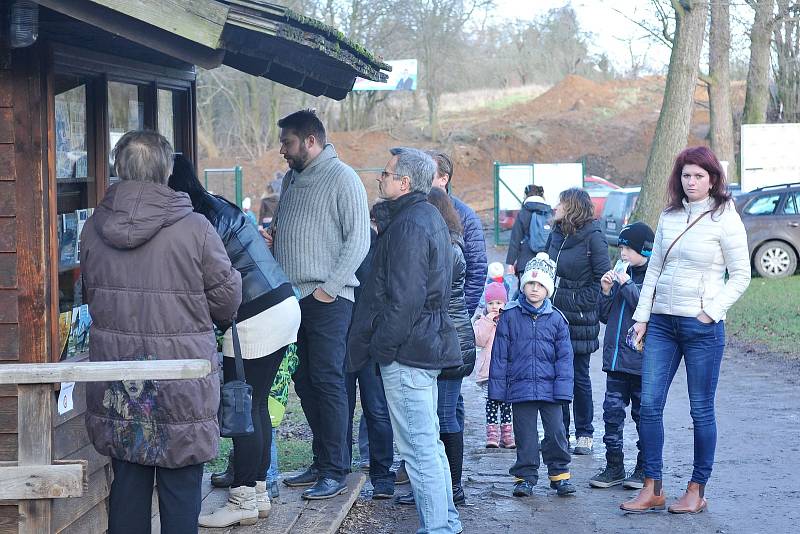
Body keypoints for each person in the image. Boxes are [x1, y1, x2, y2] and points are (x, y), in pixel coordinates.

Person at [80, 131, 242, 534]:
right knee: (181, 496)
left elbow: (91, 296)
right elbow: (226, 303)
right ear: (167, 170)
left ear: (120, 169)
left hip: (119, 381)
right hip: (181, 381)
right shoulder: (196, 229)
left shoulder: (93, 228)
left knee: (128, 490)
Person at [167, 154, 300, 527]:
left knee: (243, 409)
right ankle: (256, 493)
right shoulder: (215, 204)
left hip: (256, 315)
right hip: (282, 302)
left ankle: (242, 497)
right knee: (255, 407)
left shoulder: (197, 220)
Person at [621, 147, 750, 514]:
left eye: (698, 176)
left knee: (700, 409)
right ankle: (652, 486)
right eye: (686, 175)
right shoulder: (669, 215)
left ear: (712, 180)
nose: (691, 182)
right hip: (662, 322)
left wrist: (710, 312)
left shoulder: (725, 217)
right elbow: (655, 269)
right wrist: (642, 317)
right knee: (649, 405)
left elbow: (741, 275)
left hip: (701, 327)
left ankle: (696, 488)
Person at [348, 147, 463, 534]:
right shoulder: (421, 216)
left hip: (408, 352)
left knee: (418, 449)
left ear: (404, 182)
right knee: (427, 442)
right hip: (419, 346)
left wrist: (383, 349)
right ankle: (446, 521)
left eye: (385, 172)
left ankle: (439, 528)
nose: (379, 178)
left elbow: (406, 299)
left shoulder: (413, 223)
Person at [263, 109, 370, 499]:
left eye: (287, 143)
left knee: (328, 383)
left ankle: (336, 470)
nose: (282, 151)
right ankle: (321, 459)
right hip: (293, 301)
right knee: (304, 383)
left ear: (310, 140)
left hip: (328, 300)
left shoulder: (344, 179)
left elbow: (358, 241)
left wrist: (328, 288)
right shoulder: (292, 179)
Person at [395, 187, 477, 509]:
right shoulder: (447, 244)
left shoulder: (446, 249)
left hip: (449, 342)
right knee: (438, 416)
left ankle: (451, 488)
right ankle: (438, 487)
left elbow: (426, 296)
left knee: (442, 418)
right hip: (446, 339)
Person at [489, 253, 575, 498]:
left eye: (540, 285)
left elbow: (564, 360)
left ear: (548, 288)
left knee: (557, 432)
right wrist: (498, 391)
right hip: (520, 388)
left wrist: (563, 391)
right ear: (523, 285)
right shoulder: (510, 315)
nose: (534, 288)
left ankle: (559, 474)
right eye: (530, 283)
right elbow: (500, 356)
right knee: (525, 434)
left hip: (551, 390)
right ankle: (525, 477)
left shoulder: (557, 320)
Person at [545, 187, 611, 455]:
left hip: (580, 319)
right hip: (552, 316)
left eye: (560, 202)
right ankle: (559, 434)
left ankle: (585, 433)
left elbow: (602, 281)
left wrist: (571, 301)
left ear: (572, 207)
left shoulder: (594, 238)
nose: (555, 206)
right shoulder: (556, 234)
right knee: (555, 376)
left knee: (578, 376)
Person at [589, 222, 654, 490]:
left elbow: (644, 306)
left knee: (642, 416)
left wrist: (626, 284)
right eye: (621, 248)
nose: (623, 254)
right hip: (616, 361)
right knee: (612, 414)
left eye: (628, 249)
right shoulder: (620, 276)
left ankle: (643, 467)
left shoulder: (651, 278)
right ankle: (614, 465)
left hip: (639, 363)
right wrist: (605, 290)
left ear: (644, 251)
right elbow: (605, 316)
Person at [345, 213, 396, 499]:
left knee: (376, 409)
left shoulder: (383, 249)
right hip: (341, 336)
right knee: (341, 406)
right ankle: (338, 469)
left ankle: (382, 475)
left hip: (371, 342)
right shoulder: (343, 244)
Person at [428, 150, 487, 317]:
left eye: (427, 173)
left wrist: (461, 314)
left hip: (451, 317)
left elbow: (477, 270)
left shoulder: (465, 216)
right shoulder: (411, 210)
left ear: (444, 179)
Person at [473, 282, 514, 449]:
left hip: (506, 371)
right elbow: (479, 340)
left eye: (498, 303)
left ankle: (507, 435)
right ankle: (492, 435)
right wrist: (488, 321)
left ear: (505, 303)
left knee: (506, 403)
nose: (495, 306)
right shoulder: (482, 321)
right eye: (491, 303)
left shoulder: (510, 319)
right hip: (489, 371)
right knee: (491, 402)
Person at [506, 184, 552, 277]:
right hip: (546, 261)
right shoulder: (550, 212)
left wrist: (510, 263)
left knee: (524, 289)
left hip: (525, 261)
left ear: (526, 195)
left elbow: (515, 239)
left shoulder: (523, 213)